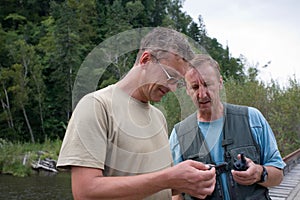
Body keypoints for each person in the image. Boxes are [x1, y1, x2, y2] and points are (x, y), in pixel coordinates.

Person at [57, 27, 216, 200]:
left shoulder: (158, 117)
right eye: (170, 76)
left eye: (177, 82)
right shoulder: (96, 106)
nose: (172, 88)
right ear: (145, 60)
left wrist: (188, 183)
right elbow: (85, 191)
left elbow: (159, 187)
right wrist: (168, 179)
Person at [169, 54, 286, 200]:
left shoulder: (252, 118)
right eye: (195, 87)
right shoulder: (179, 135)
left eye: (207, 84)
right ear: (187, 90)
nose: (202, 94)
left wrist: (258, 173)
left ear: (220, 83)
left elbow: (278, 175)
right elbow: (176, 193)